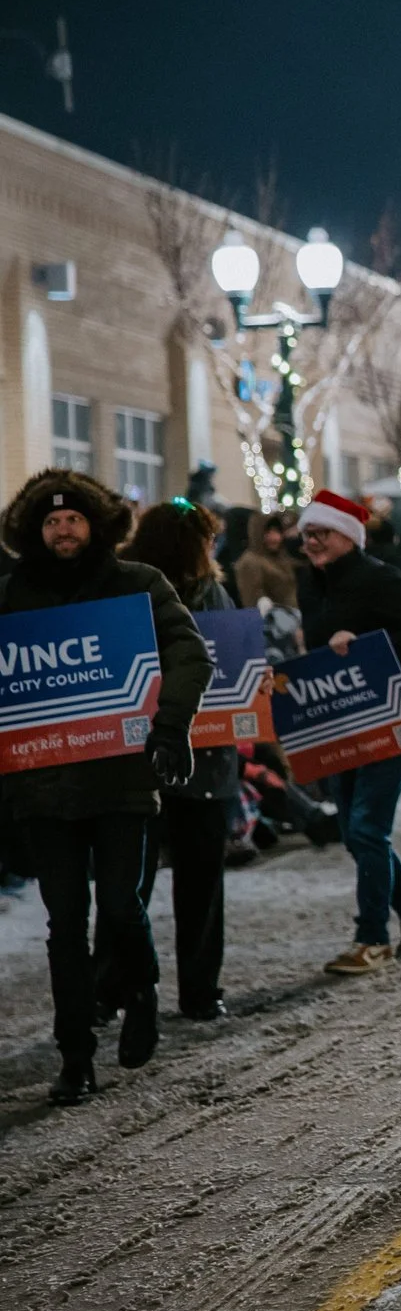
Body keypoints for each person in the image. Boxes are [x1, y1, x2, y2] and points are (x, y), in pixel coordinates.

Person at [2, 471, 211, 1105]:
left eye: (73, 520)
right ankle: (76, 1057)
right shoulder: (12, 599)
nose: (63, 530)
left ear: (95, 526)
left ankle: (140, 990)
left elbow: (189, 654)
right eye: (50, 522)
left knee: (121, 905)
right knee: (64, 924)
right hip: (45, 791)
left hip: (121, 781)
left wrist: (171, 726)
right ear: (34, 533)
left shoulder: (137, 585)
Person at [297, 490, 401, 975]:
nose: (313, 543)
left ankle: (372, 939)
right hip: (338, 717)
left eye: (322, 534)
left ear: (348, 536)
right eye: (307, 535)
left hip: (388, 714)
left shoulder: (382, 579)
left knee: (366, 827)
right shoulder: (309, 583)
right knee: (353, 831)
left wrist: (362, 643)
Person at [124, 500, 244, 1021]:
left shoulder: (126, 593)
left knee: (130, 884)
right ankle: (199, 989)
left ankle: (116, 986)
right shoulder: (209, 597)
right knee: (198, 882)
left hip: (139, 760)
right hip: (206, 761)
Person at [231, 510, 300, 611]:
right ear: (257, 533)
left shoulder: (279, 557)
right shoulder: (250, 562)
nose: (275, 538)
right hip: (275, 623)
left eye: (277, 531)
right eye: (268, 532)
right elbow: (254, 604)